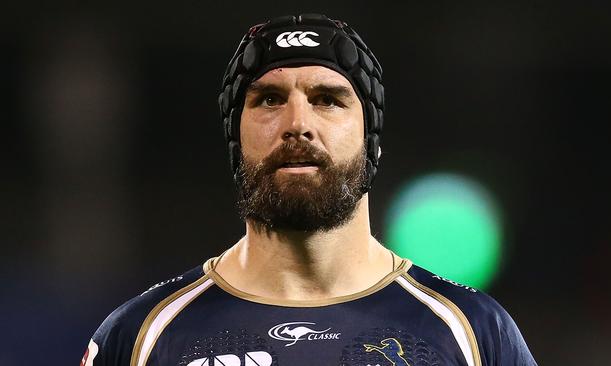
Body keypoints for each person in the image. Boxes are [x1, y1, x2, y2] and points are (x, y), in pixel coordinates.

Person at [81, 14, 537, 366]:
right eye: (269, 100)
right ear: (235, 140)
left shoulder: (474, 331)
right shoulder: (142, 336)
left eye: (327, 100)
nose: (297, 125)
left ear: (371, 140)